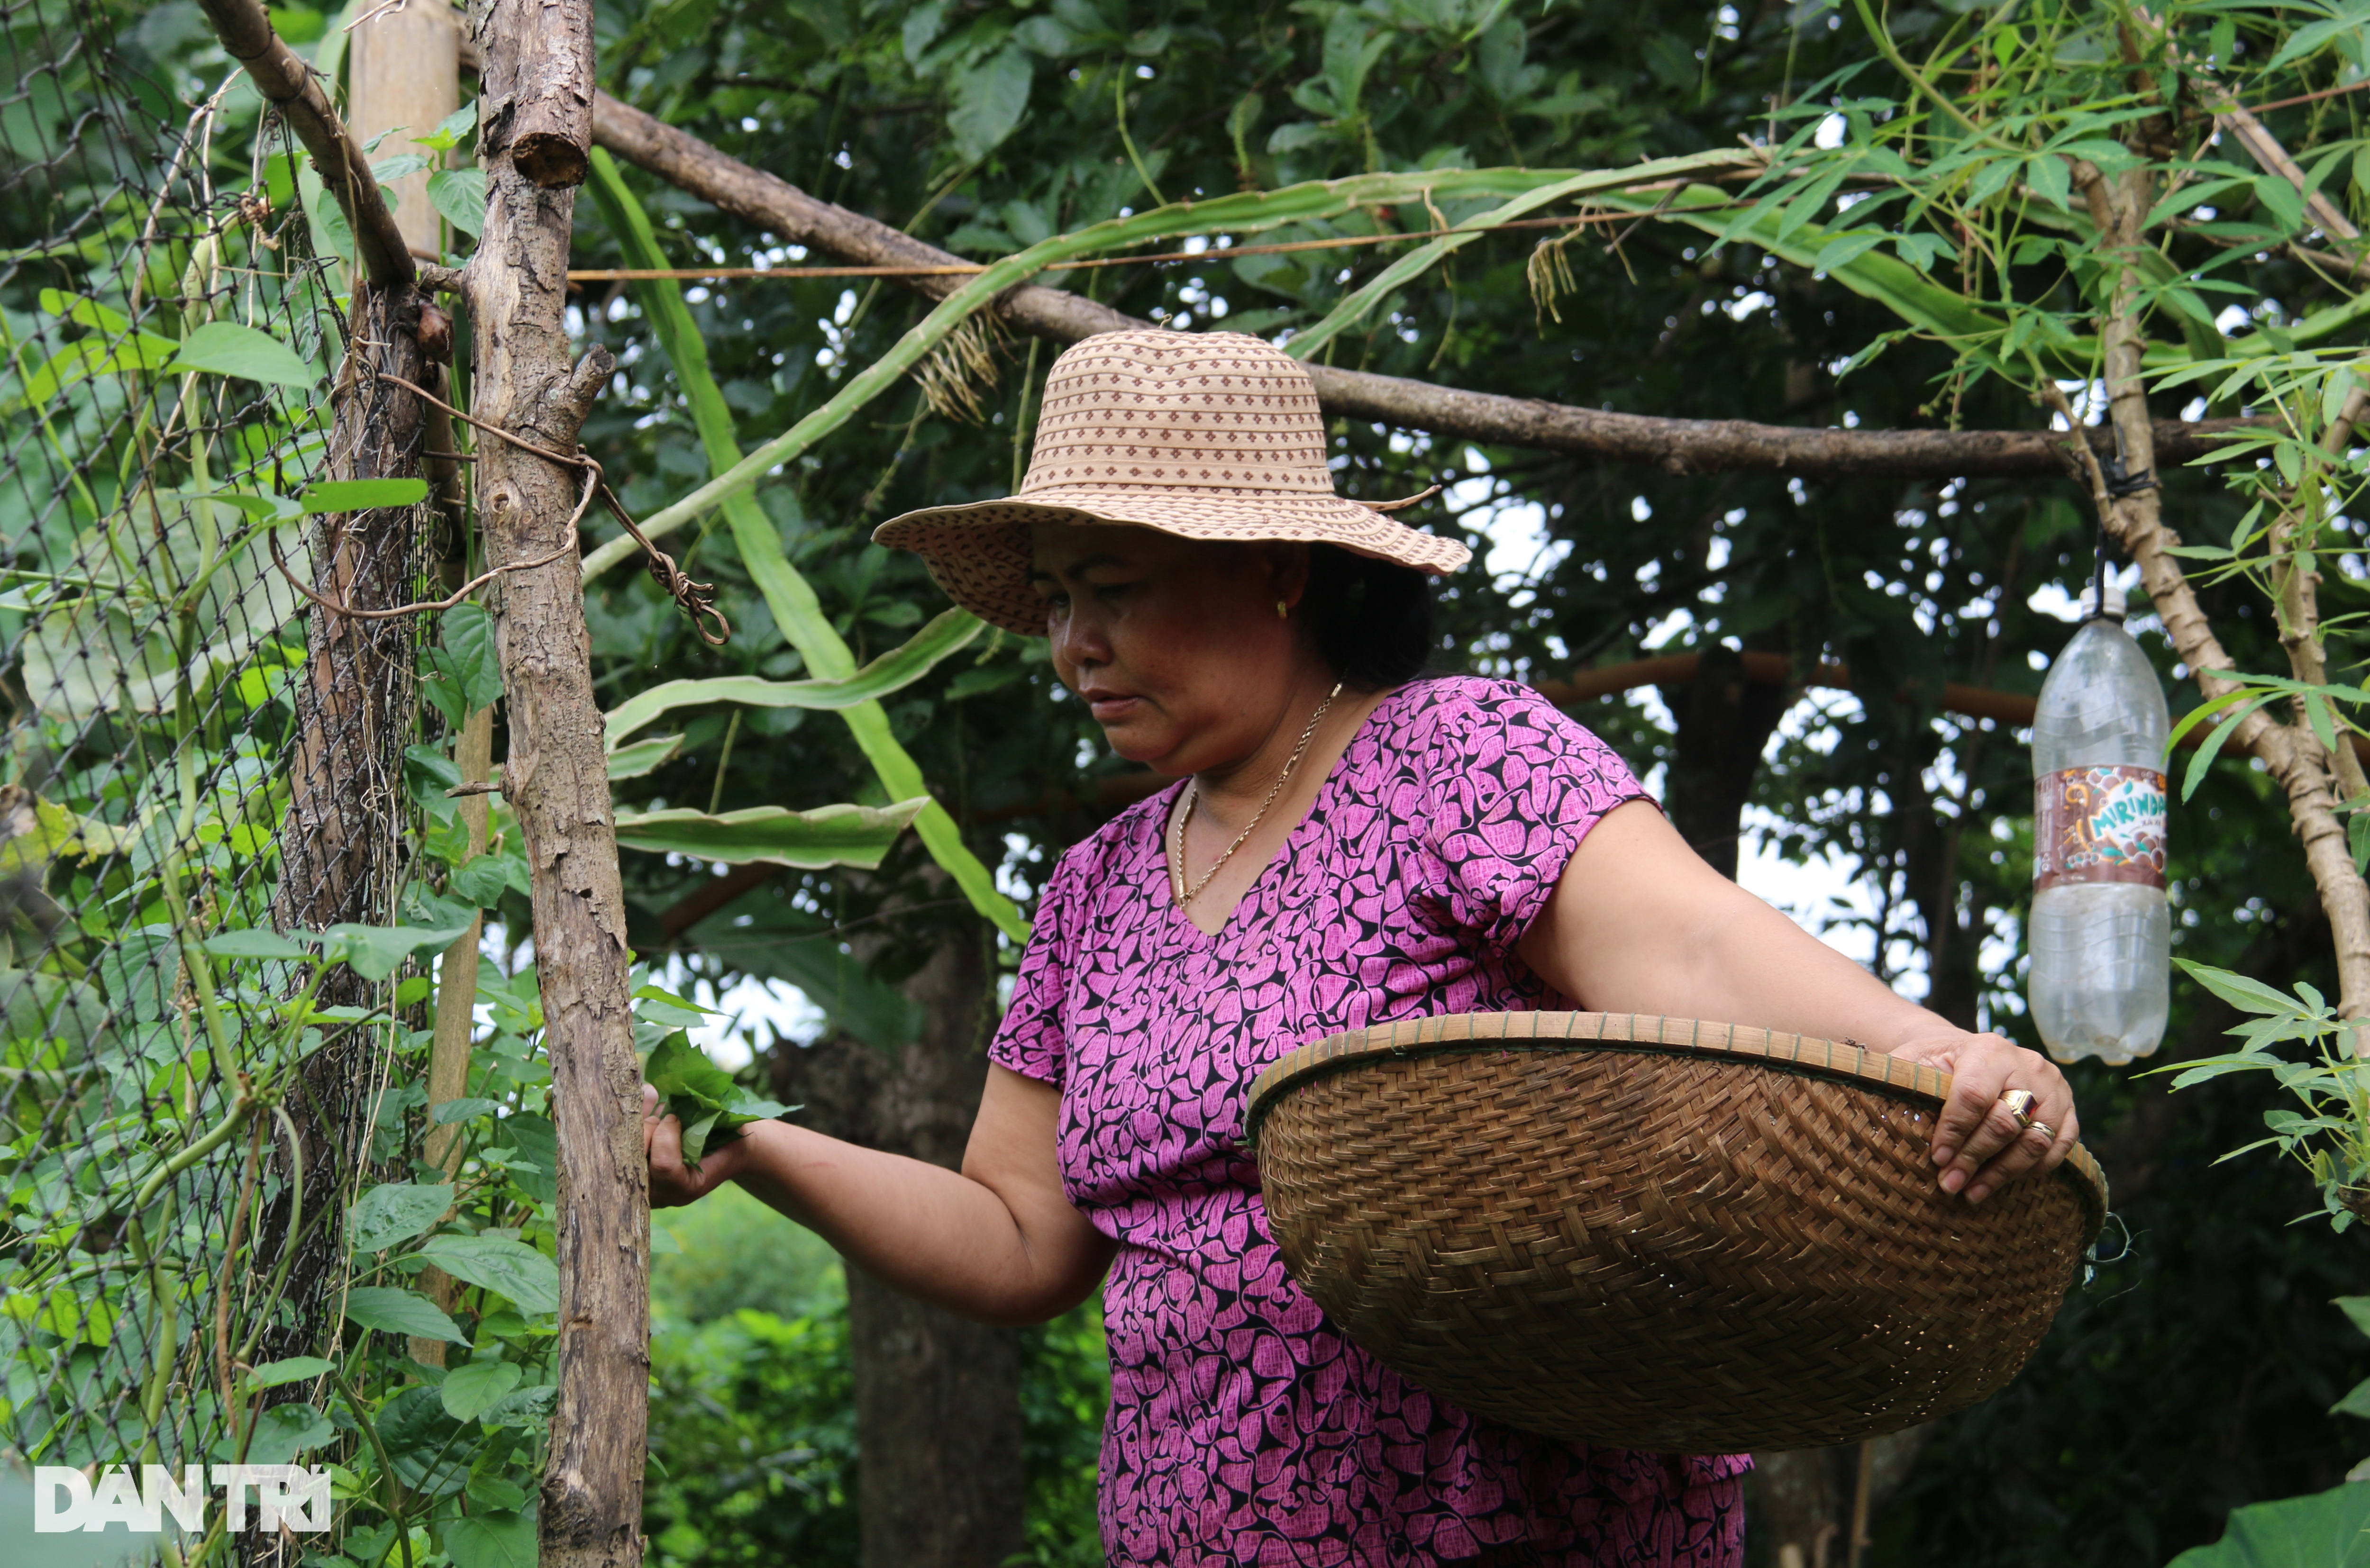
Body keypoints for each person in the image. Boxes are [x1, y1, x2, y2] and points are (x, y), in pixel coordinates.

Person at [642, 330, 2078, 1567]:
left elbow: (1694, 953)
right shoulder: (1092, 891)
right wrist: (756, 1146)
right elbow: (1020, 1241)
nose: (1073, 643)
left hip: (1519, 1529)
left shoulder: (1453, 760)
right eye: (1058, 598)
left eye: (1114, 587)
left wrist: (1935, 1055)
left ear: (1275, 569)